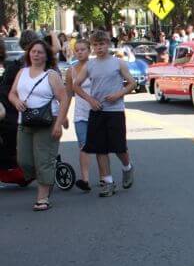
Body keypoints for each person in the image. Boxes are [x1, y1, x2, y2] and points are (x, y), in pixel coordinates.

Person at [7, 39, 69, 210]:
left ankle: (43, 197)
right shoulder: (22, 72)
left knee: (43, 160)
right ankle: (47, 176)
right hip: (25, 122)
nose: (36, 54)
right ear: (28, 53)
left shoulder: (51, 75)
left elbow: (63, 99)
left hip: (47, 122)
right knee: (24, 161)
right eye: (33, 51)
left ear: (46, 56)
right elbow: (12, 94)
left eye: (40, 52)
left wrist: (59, 124)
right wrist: (16, 102)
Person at [77, 30, 137, 197]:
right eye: (95, 45)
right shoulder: (89, 65)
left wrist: (118, 94)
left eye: (102, 44)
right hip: (97, 110)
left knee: (119, 147)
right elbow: (76, 85)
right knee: (100, 148)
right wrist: (90, 100)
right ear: (92, 47)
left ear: (108, 44)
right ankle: (108, 182)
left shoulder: (118, 63)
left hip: (115, 110)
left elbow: (132, 83)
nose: (99, 48)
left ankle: (127, 167)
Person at [64, 39, 95, 190]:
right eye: (77, 50)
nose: (80, 52)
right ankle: (85, 180)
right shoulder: (71, 70)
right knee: (83, 146)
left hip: (97, 112)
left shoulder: (96, 67)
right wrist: (63, 115)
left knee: (102, 147)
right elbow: (68, 94)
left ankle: (106, 178)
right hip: (80, 115)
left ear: (89, 50)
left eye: (83, 49)